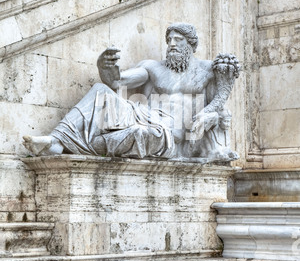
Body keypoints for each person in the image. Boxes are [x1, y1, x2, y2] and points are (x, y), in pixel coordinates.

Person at [23, 23, 240, 161]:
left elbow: (220, 101)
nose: (172, 44)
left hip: (169, 134)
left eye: (178, 40)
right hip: (144, 115)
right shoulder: (154, 67)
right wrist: (104, 67)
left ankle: (77, 145)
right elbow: (117, 82)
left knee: (141, 133)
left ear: (191, 45)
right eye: (169, 40)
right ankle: (56, 140)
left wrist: (209, 114)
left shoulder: (207, 70)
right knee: (101, 90)